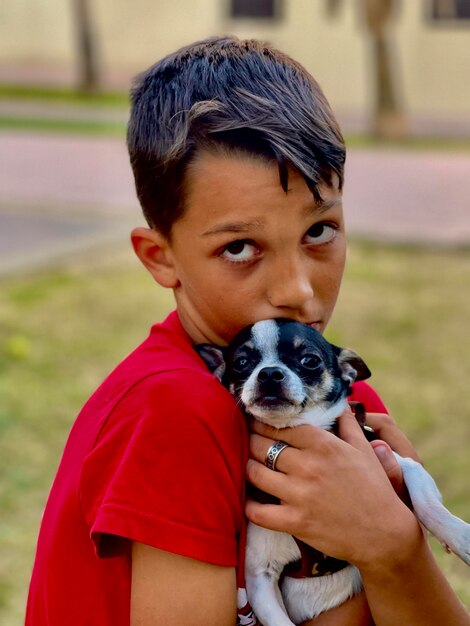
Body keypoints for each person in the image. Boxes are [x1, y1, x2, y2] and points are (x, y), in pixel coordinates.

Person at [25, 36, 469, 626]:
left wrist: (394, 546)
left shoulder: (338, 406)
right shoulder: (176, 411)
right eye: (239, 247)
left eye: (319, 231)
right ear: (161, 257)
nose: (296, 290)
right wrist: (378, 556)